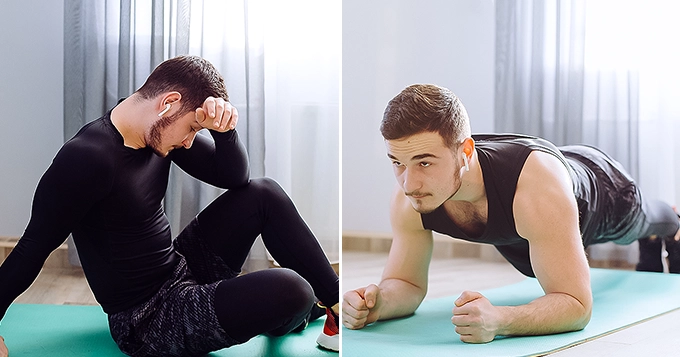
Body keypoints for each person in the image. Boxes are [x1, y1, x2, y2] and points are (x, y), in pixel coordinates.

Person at [0, 55, 339, 356]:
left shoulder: (156, 127)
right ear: (169, 103)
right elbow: (32, 248)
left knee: (264, 193)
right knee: (293, 289)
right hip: (147, 319)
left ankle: (338, 304)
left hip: (180, 267)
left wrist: (224, 132)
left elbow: (236, 179)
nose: (191, 140)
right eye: (193, 128)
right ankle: (300, 311)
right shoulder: (87, 159)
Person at [342, 83, 680, 343]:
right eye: (397, 163)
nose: (409, 182)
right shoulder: (410, 197)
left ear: (465, 152)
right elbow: (406, 283)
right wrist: (378, 303)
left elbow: (577, 306)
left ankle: (671, 226)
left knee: (645, 219)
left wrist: (501, 320)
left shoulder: (535, 190)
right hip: (530, 217)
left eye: (425, 163)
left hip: (602, 190)